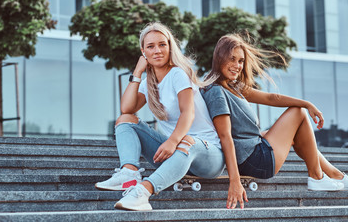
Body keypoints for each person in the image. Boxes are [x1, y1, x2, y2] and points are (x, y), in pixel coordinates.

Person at [200, 34, 348, 210]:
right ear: (219, 57)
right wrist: (235, 181)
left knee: (298, 129)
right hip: (255, 160)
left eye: (240, 61)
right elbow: (225, 137)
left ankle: (335, 174)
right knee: (298, 113)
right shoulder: (215, 91)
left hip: (252, 152)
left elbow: (271, 98)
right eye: (232, 59)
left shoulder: (233, 86)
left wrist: (307, 103)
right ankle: (317, 176)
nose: (237, 66)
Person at [95, 22, 226, 211]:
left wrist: (173, 141)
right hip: (175, 154)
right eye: (150, 46)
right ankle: (129, 172)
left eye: (162, 44)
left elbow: (187, 112)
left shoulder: (178, 74)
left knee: (187, 140)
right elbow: (126, 108)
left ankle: (143, 192)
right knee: (125, 120)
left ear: (170, 47)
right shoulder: (148, 81)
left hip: (208, 155)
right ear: (143, 52)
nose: (157, 50)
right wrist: (137, 72)